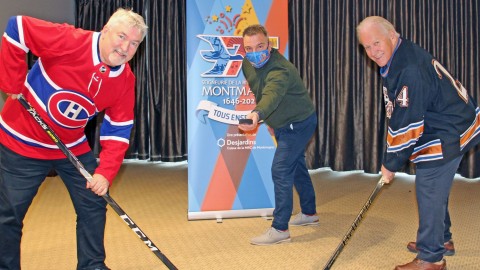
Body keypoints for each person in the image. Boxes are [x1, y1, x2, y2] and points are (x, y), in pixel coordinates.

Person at [0, 8, 147, 270]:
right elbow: (17, 27)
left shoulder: (125, 79)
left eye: (134, 43)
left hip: (70, 146)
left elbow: (118, 129)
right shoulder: (70, 40)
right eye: (121, 36)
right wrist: (12, 81)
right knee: (8, 214)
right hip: (20, 142)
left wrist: (105, 173)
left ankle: (92, 266)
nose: (125, 47)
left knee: (94, 202)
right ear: (105, 30)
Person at [357, 16, 480, 270]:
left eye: (376, 43)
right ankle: (442, 240)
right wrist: (392, 156)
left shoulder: (408, 68)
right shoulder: (397, 57)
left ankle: (431, 258)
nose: (372, 51)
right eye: (366, 47)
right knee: (431, 187)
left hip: (449, 127)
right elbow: (402, 116)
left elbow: (406, 123)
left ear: (392, 36)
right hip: (439, 121)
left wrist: (390, 164)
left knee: (429, 188)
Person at [239, 24, 319, 246]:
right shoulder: (248, 63)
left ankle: (280, 228)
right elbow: (259, 91)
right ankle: (309, 213)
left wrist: (257, 115)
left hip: (299, 123)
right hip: (283, 123)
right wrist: (270, 121)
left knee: (282, 168)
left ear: (269, 44)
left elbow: (272, 94)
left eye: (260, 46)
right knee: (296, 166)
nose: (255, 51)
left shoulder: (280, 69)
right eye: (249, 47)